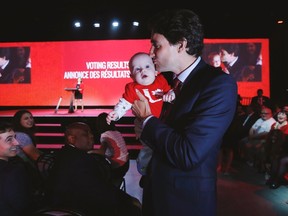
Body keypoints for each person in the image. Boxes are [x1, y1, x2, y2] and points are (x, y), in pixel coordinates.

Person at [131, 9, 238, 216]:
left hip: (185, 204)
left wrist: (147, 120)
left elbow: (188, 153)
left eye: (156, 45)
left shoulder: (217, 84)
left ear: (181, 44)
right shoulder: (175, 84)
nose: (151, 53)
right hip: (159, 195)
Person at [46, 121, 141, 216]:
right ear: (71, 139)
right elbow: (97, 190)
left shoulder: (67, 154)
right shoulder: (80, 159)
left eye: (91, 133)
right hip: (73, 208)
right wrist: (127, 199)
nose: (91, 136)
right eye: (86, 134)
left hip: (69, 204)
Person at [107, 52, 175, 177]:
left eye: (147, 67)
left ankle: (161, 168)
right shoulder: (132, 88)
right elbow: (124, 103)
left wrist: (170, 95)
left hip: (161, 121)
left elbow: (170, 91)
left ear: (155, 71)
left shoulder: (161, 80)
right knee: (149, 146)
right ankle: (145, 167)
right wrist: (116, 114)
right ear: (131, 76)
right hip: (143, 124)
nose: (143, 70)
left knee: (162, 145)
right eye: (137, 69)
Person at [0, 121, 34, 216]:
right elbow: (22, 205)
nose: (17, 142)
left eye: (15, 137)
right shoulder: (13, 171)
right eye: (9, 139)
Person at [93, 112, 130, 188]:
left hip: (118, 167)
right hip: (126, 164)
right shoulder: (116, 132)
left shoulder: (105, 135)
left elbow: (101, 152)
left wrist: (88, 152)